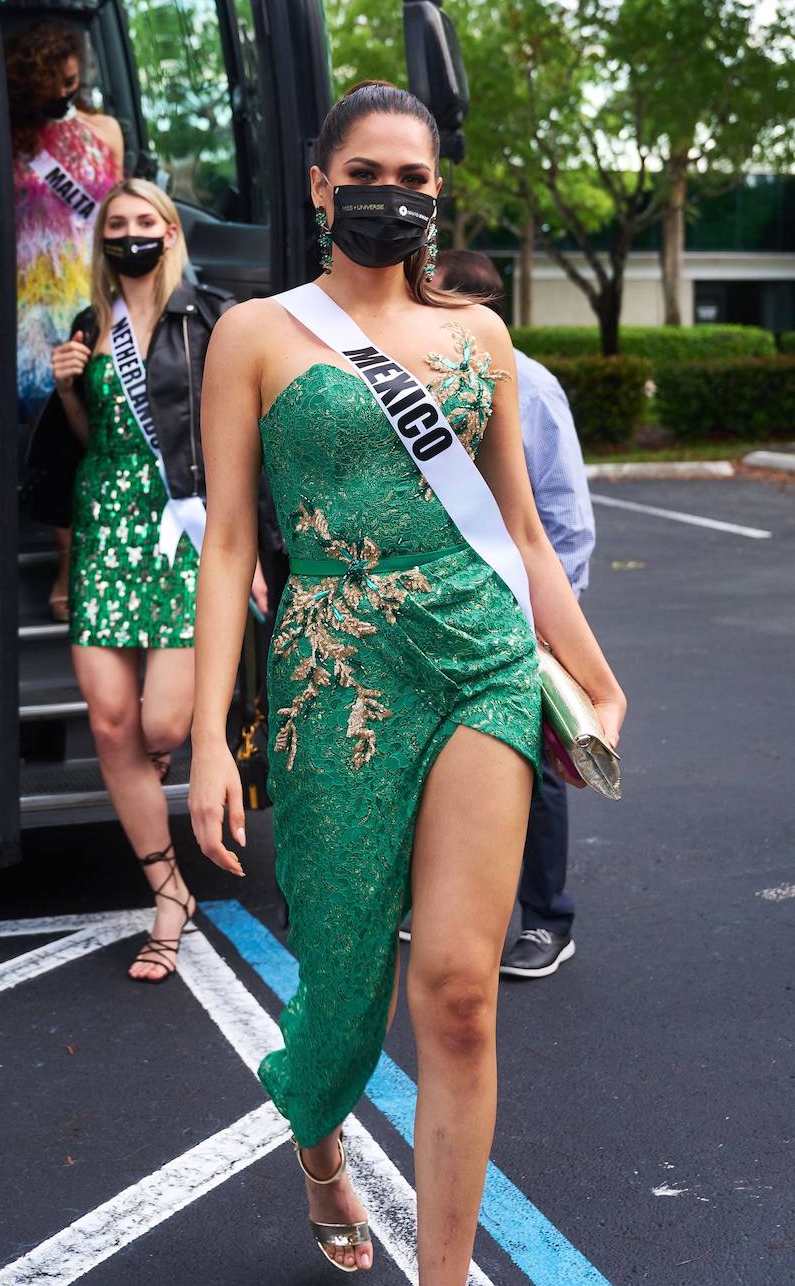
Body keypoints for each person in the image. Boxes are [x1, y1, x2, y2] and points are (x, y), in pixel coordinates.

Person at [188, 80, 625, 1280]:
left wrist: (588, 669)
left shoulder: (480, 337)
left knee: (457, 992)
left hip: (476, 657)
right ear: (322, 187)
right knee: (341, 983)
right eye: (367, 178)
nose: (392, 199)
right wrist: (215, 741)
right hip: (334, 670)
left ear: (439, 195)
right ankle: (321, 1149)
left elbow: (524, 537)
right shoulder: (257, 335)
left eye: (414, 181)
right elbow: (230, 544)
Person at [50, 178, 267, 982]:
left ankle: (163, 776)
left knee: (164, 726)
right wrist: (71, 388)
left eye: (146, 221)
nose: (131, 233)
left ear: (172, 232)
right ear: (101, 238)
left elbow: (242, 438)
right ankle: (167, 891)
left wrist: (249, 554)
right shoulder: (88, 324)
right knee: (111, 725)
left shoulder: (206, 321)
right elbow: (86, 438)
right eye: (118, 223)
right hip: (105, 525)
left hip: (184, 534)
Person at [428, 248, 596, 979]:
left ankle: (546, 921)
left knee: (532, 764)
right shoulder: (409, 378)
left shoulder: (529, 387)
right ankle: (440, 906)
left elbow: (563, 517)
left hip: (514, 609)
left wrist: (551, 624)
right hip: (435, 604)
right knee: (439, 754)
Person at [7, 18, 124, 620]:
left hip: (90, 294)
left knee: (90, 422)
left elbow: (120, 213)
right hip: (29, 300)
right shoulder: (11, 139)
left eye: (71, 76)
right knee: (51, 436)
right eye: (52, 78)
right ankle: (65, 561)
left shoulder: (104, 132)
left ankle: (78, 564)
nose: (65, 87)